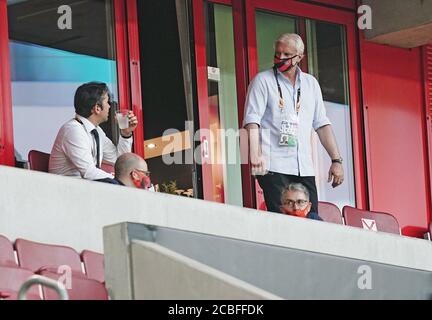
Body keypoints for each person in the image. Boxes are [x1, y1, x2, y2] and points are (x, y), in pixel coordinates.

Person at [243, 33, 344, 214]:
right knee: (284, 219)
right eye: (277, 53)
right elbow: (252, 121)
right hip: (273, 165)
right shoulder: (263, 81)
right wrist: (255, 154)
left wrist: (336, 160)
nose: (280, 58)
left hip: (303, 167)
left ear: (299, 57)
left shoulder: (311, 84)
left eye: (286, 55)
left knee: (311, 218)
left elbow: (322, 124)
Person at [49, 82, 138, 180]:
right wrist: (122, 182)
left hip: (85, 189)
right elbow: (89, 173)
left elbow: (118, 160)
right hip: (65, 192)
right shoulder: (73, 131)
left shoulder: (96, 131)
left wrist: (126, 133)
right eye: (107, 102)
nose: (109, 106)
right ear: (97, 108)